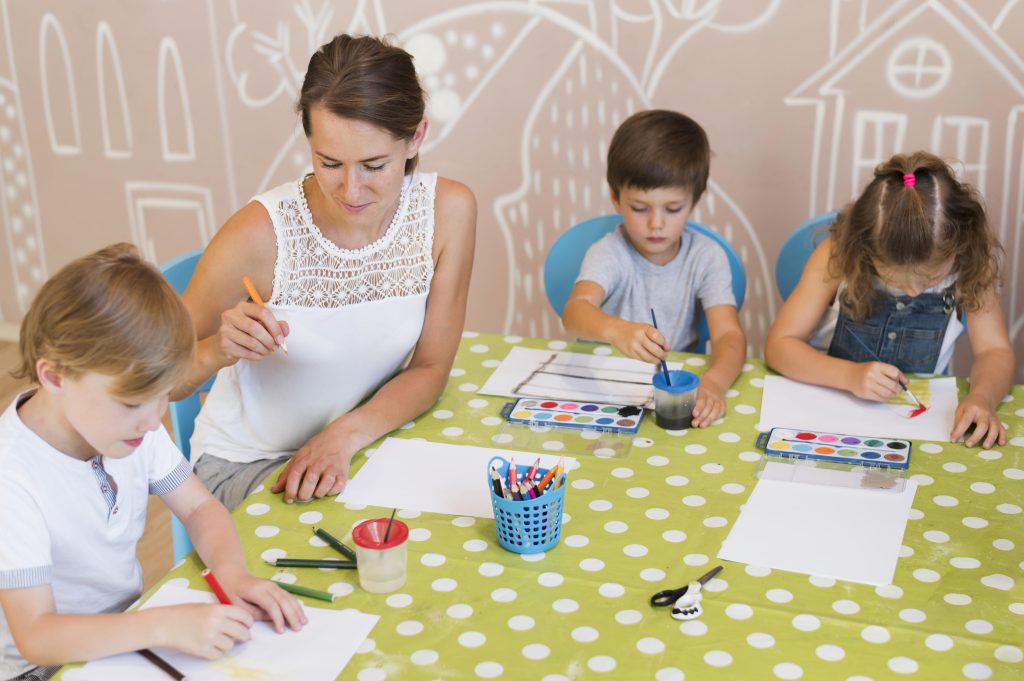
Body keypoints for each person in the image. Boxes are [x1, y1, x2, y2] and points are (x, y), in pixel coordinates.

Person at [176, 34, 476, 509]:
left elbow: (432, 368)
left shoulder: (448, 212)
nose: (351, 190)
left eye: (374, 165)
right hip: (247, 463)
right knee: (359, 544)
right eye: (329, 163)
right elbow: (151, 378)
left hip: (359, 445)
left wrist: (344, 437)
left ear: (416, 137)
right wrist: (218, 350)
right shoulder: (260, 233)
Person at [0, 244, 305, 681]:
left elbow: (199, 508)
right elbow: (36, 636)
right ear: (55, 376)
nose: (152, 419)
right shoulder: (11, 477)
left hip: (124, 631)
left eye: (162, 396)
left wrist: (233, 574)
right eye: (131, 403)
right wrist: (162, 626)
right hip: (41, 667)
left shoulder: (129, 425)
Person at [765, 151, 1014, 448]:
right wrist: (850, 376)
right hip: (830, 410)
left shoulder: (971, 263)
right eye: (896, 280)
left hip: (917, 430)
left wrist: (982, 397)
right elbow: (779, 345)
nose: (913, 292)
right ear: (865, 247)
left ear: (960, 245)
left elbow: (995, 351)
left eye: (930, 279)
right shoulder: (838, 255)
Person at [561, 110, 746, 427]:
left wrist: (714, 383)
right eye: (639, 208)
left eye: (673, 209)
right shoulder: (610, 252)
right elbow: (575, 312)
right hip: (607, 392)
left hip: (672, 394)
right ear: (616, 198)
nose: (656, 223)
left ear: (694, 200)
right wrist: (616, 330)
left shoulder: (706, 257)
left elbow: (729, 334)